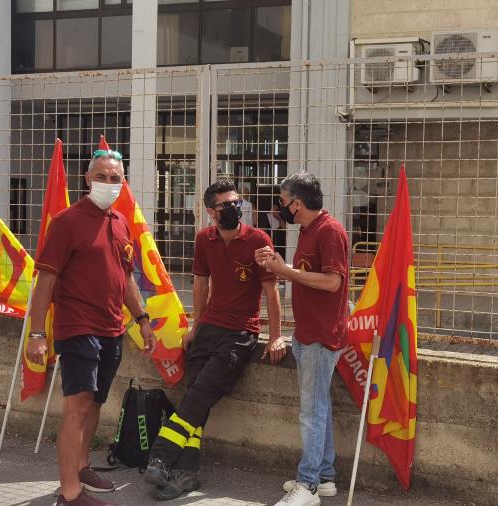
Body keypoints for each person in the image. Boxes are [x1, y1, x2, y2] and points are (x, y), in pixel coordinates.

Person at [26, 147, 156, 506]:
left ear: (123, 182)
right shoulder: (67, 222)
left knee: (96, 404)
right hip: (78, 329)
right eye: (101, 176)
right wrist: (37, 335)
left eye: (115, 178)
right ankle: (69, 493)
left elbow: (126, 278)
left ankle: (82, 467)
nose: (108, 183)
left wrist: (142, 319)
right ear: (88, 179)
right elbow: (46, 281)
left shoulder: (121, 222)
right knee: (77, 409)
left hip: (112, 330)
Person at [144, 179, 288, 501]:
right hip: (208, 329)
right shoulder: (203, 239)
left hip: (240, 333)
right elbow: (200, 285)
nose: (234, 208)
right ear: (211, 211)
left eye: (236, 202)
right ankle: (188, 473)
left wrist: (276, 337)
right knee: (196, 399)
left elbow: (271, 292)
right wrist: (195, 327)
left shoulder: (258, 240)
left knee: (198, 396)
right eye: (226, 205)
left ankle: (161, 455)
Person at [255, 172, 350, 506]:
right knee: (318, 407)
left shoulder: (330, 231)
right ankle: (324, 478)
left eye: (283, 201)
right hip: (308, 333)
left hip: (321, 336)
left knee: (311, 412)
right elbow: (309, 274)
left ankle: (308, 485)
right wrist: (279, 266)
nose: (280, 207)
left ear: (297, 203)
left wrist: (286, 272)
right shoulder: (309, 230)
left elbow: (333, 282)